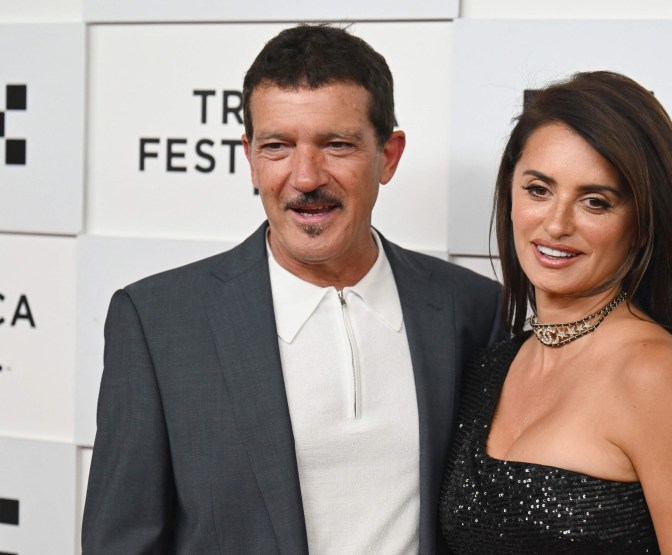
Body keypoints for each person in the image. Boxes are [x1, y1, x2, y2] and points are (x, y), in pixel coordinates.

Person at [82, 25, 503, 554]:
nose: (305, 177)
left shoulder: (472, 309)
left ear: (388, 156)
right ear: (251, 157)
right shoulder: (157, 322)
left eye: (337, 145)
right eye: (277, 146)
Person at [440, 71, 672, 553]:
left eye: (595, 202)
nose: (556, 224)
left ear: (642, 223)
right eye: (538, 190)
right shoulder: (491, 366)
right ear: (509, 195)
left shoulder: (653, 376)